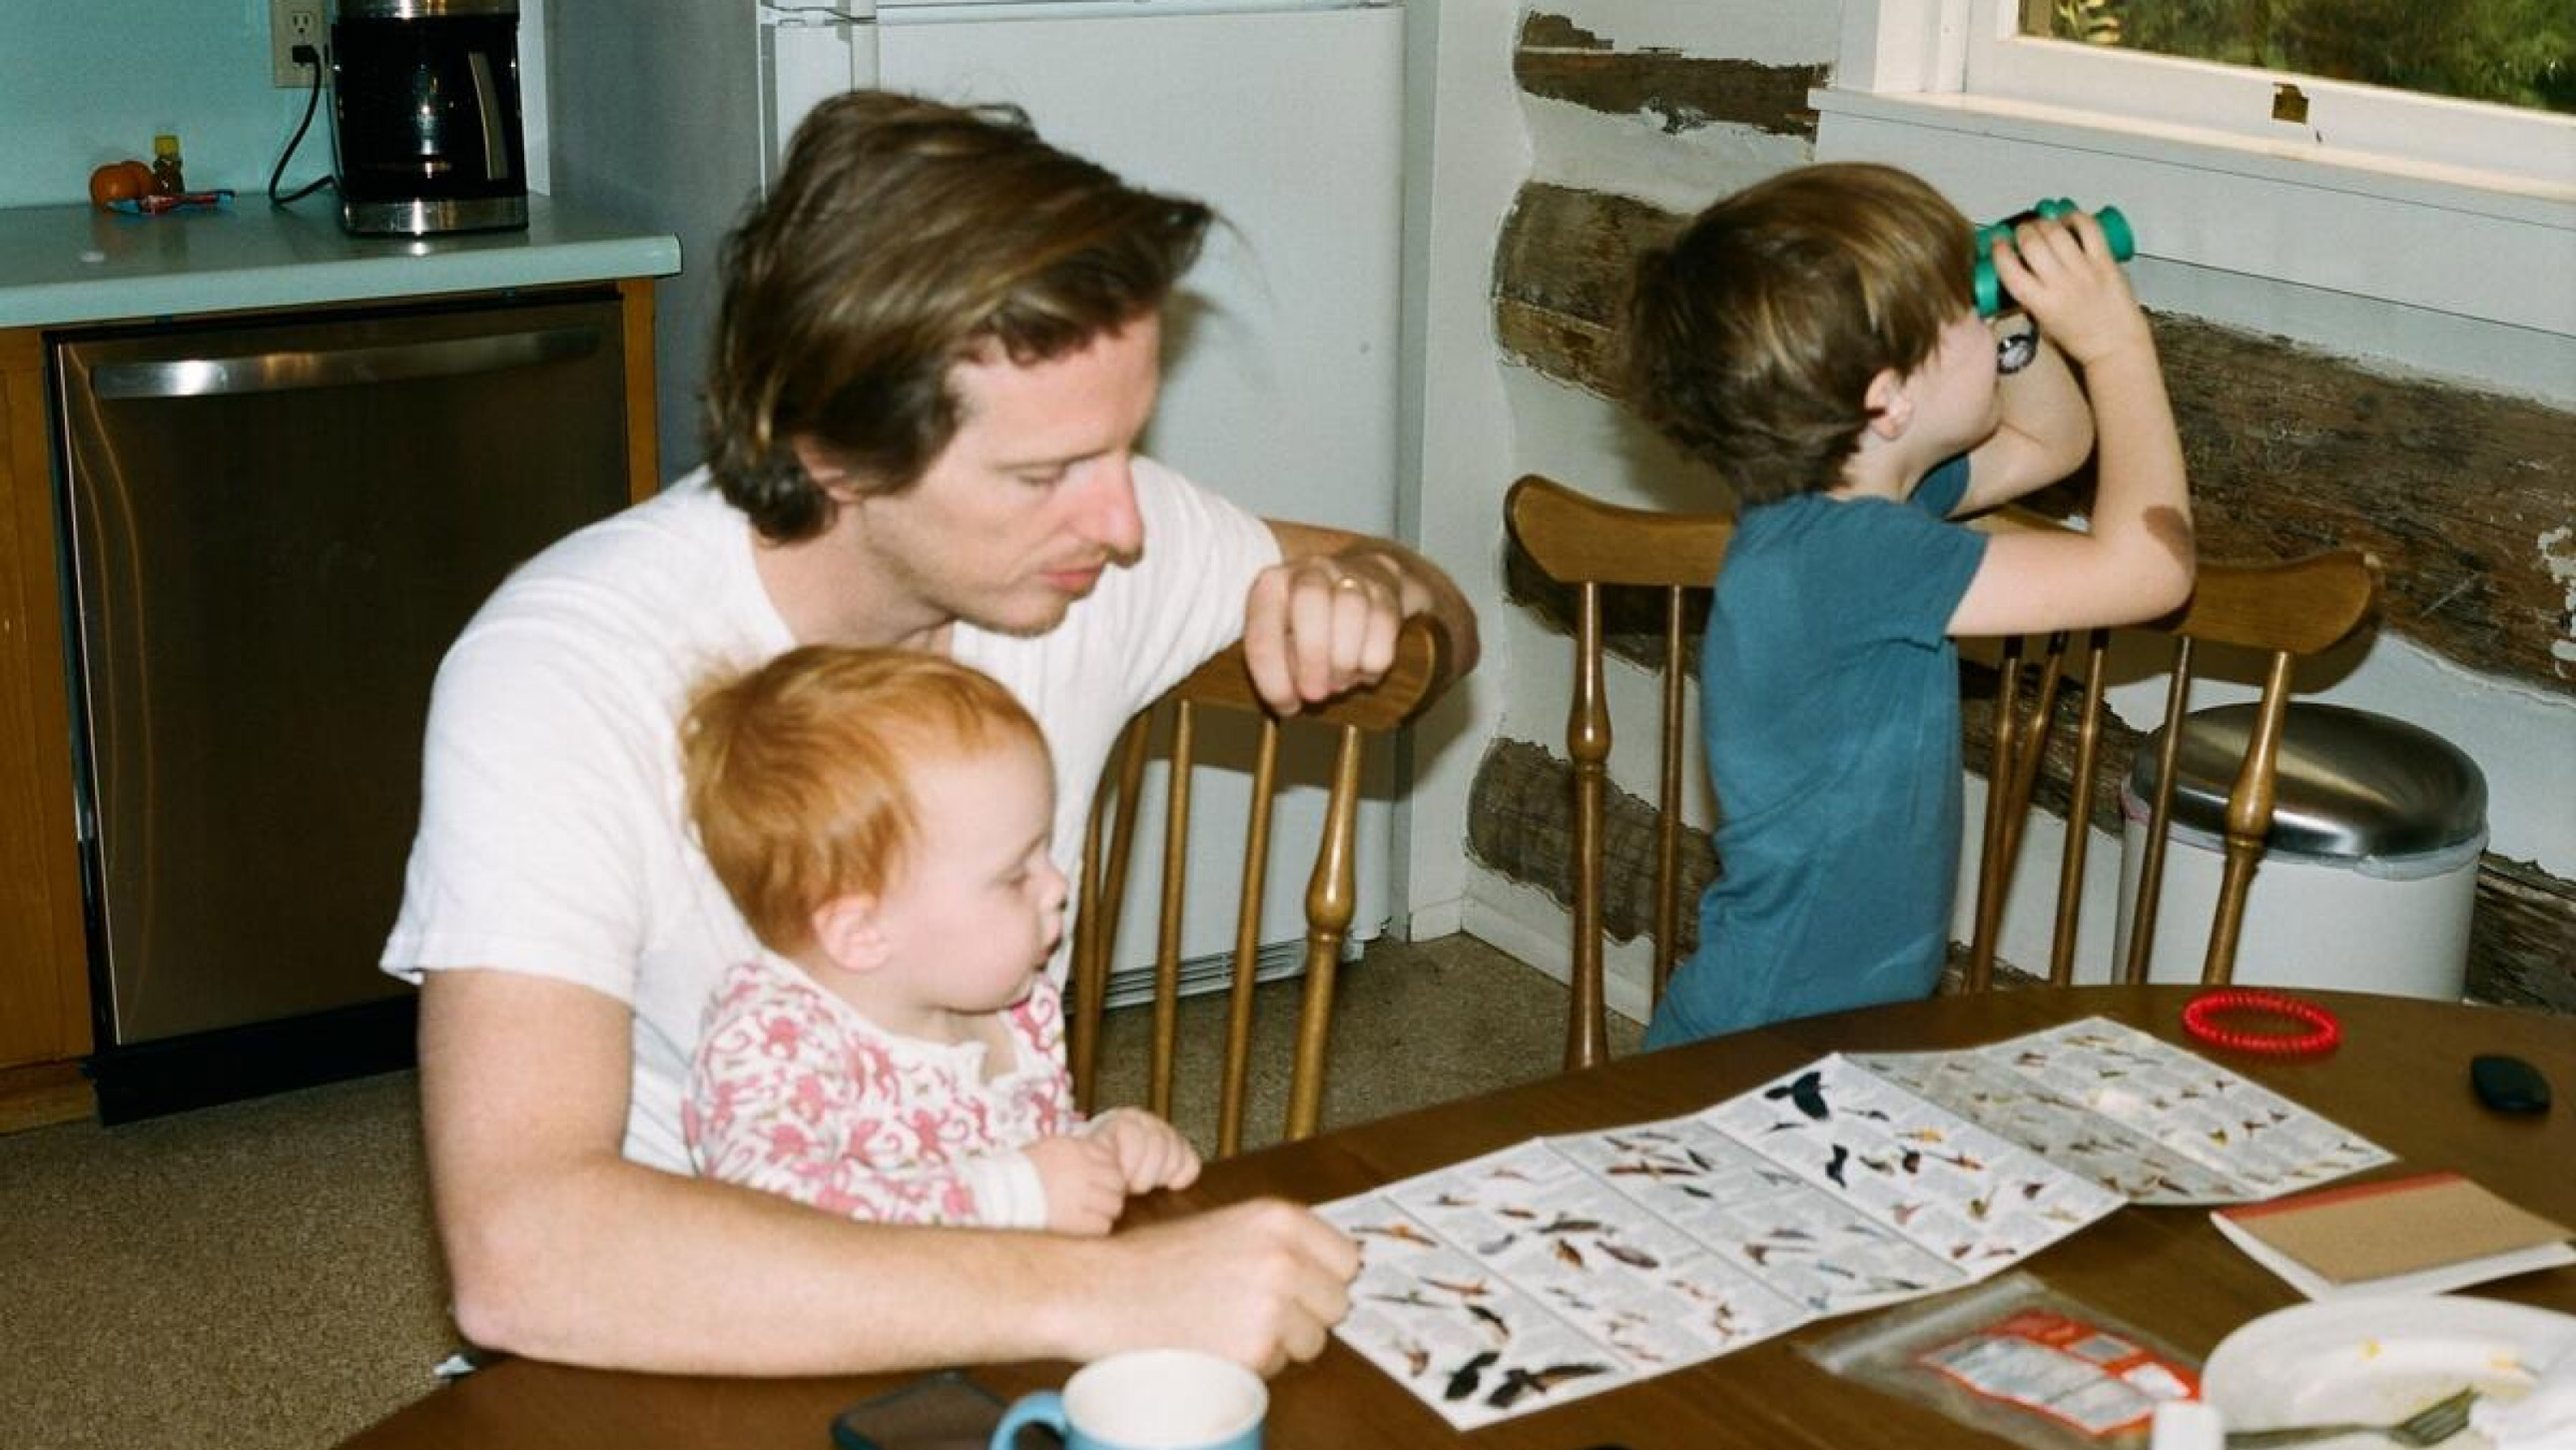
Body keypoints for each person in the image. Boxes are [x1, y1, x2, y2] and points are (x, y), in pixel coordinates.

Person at [380, 90, 1477, 1375]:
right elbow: (526, 1255)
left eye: (1127, 446)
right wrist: (1106, 1300)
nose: (1124, 525)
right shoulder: (563, 671)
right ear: (834, 453)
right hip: (674, 1345)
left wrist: (1378, 592)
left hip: (1010, 1266)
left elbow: (1421, 598)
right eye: (1043, 475)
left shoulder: (1088, 554)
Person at [1621, 162, 2194, 1048]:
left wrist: (2009, 317)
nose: (1983, 315)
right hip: (1764, 1043)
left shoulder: (1844, 511)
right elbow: (2151, 573)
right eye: (1962, 310)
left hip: (1836, 1023)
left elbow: (2052, 442)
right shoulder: (1852, 559)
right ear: (1886, 399)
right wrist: (2118, 346)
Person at [678, 646, 1198, 1233]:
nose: (1057, 885)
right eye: (1013, 875)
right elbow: (767, 1218)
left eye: (1045, 852)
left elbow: (1019, 1149)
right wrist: (1012, 1194)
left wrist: (1096, 1149)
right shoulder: (773, 1040)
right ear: (862, 932)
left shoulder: (1015, 1008)